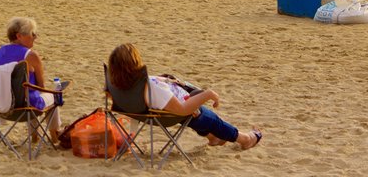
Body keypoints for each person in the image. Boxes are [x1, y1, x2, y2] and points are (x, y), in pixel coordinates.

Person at [107, 43, 262, 150]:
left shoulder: (118, 86)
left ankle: (213, 138)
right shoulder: (152, 89)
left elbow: (149, 81)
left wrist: (166, 80)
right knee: (208, 118)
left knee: (191, 102)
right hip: (172, 115)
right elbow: (182, 110)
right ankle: (246, 139)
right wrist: (209, 94)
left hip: (147, 112)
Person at [0, 17, 63, 143]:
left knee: (28, 92)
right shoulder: (31, 56)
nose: (35, 37)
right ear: (19, 36)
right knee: (51, 95)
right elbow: (41, 86)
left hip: (2, 103)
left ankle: (35, 136)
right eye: (33, 34)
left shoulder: (1, 51)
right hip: (24, 106)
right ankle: (54, 135)